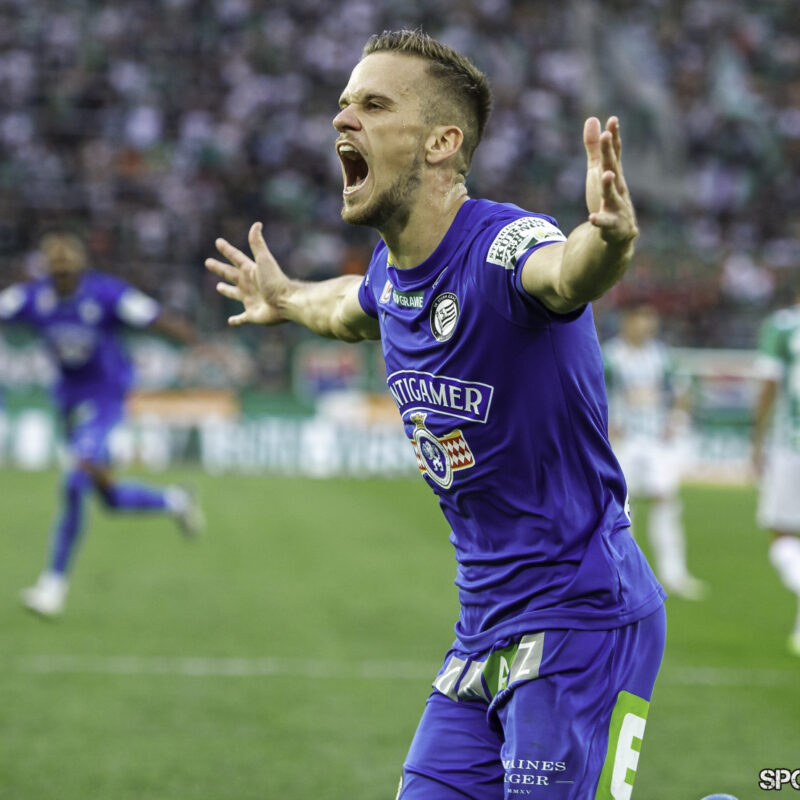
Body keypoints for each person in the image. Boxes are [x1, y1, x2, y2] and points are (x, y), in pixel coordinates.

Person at [206, 30, 666, 799]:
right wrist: (282, 297)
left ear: (441, 143)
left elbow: (564, 273)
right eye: (343, 103)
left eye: (373, 104)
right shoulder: (393, 276)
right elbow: (345, 308)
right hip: (480, 632)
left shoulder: (503, 246)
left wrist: (610, 241)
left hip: (579, 619)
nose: (342, 119)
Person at [0, 232, 205, 618]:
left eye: (67, 269)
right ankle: (175, 501)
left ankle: (52, 586)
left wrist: (197, 343)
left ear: (80, 267)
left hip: (106, 399)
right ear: (47, 270)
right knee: (107, 497)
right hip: (68, 403)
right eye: (56, 270)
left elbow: (153, 316)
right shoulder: (33, 297)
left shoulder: (106, 294)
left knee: (74, 481)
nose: (62, 275)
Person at [603, 303, 707, 600]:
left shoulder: (662, 356)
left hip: (655, 440)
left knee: (666, 501)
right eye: (641, 318)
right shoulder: (609, 356)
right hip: (622, 441)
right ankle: (624, 574)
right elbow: (591, 391)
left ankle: (674, 574)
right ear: (627, 321)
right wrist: (606, 424)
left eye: (651, 319)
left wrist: (676, 419)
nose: (648, 325)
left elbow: (682, 391)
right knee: (621, 507)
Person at [752, 288, 800, 657]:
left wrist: (757, 439)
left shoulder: (783, 327)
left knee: (781, 536)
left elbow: (769, 384)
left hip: (791, 446)